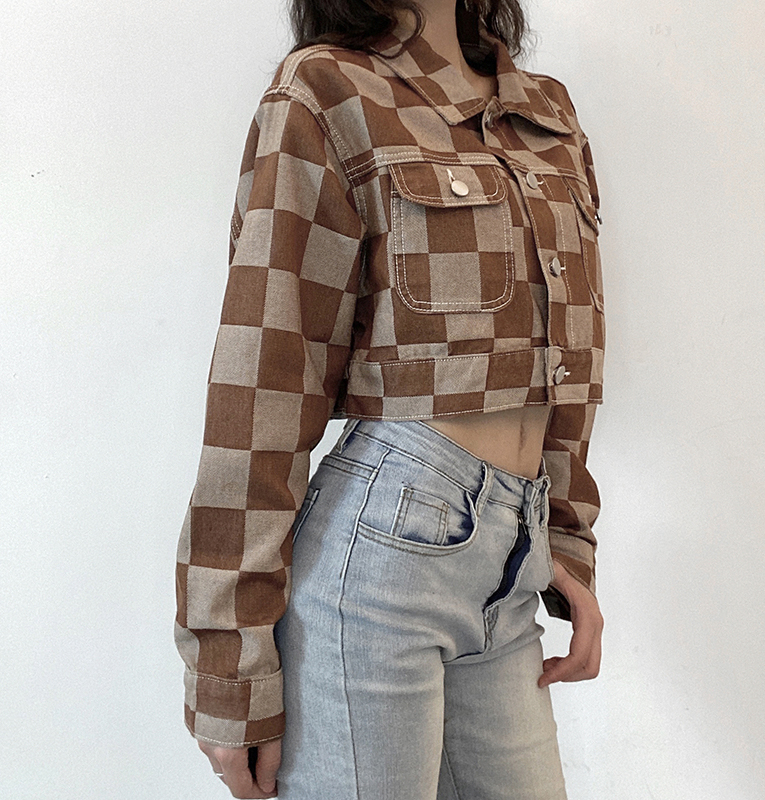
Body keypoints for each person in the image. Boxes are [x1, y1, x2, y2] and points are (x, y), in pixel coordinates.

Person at [174, 0, 606, 796]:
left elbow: (572, 357)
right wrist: (230, 664)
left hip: (515, 557)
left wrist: (567, 541)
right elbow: (266, 373)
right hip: (381, 556)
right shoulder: (326, 90)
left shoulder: (547, 113)